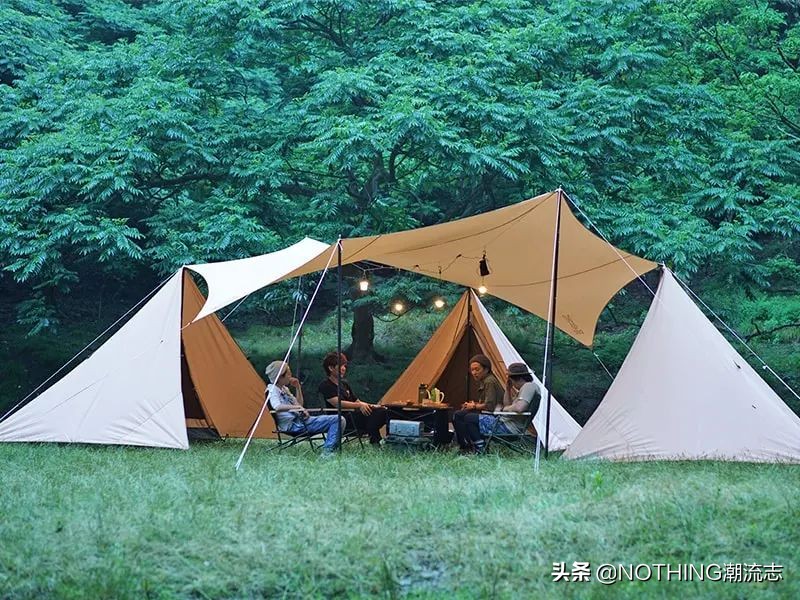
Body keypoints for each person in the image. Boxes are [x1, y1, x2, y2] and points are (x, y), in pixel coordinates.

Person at [454, 362, 541, 454]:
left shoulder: (528, 386)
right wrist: (508, 389)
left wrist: (503, 410)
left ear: (516, 378)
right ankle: (478, 446)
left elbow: (519, 407)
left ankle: (480, 448)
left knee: (469, 418)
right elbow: (508, 404)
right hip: (507, 424)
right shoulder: (525, 389)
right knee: (469, 417)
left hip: (507, 427)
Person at [265, 360, 345, 456]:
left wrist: (298, 388)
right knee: (338, 420)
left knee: (339, 420)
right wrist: (298, 408)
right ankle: (328, 452)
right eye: (289, 373)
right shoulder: (272, 390)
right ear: (280, 376)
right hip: (294, 425)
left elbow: (299, 404)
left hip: (301, 421)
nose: (291, 376)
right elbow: (277, 407)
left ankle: (330, 449)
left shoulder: (284, 389)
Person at [317, 352, 387, 445]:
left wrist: (372, 406)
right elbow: (338, 403)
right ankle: (375, 441)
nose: (343, 369)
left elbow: (357, 401)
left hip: (353, 416)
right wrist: (359, 406)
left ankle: (381, 440)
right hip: (341, 419)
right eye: (341, 366)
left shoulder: (344, 384)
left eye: (344, 366)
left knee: (384, 411)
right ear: (331, 368)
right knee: (376, 414)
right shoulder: (326, 385)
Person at [452, 354, 505, 451]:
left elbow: (489, 405)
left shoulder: (489, 381)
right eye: (472, 370)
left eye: (477, 369)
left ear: (486, 369)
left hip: (494, 415)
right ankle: (469, 444)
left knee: (459, 416)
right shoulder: (486, 380)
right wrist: (472, 405)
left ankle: (469, 445)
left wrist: (474, 406)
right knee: (460, 414)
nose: (474, 373)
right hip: (489, 412)